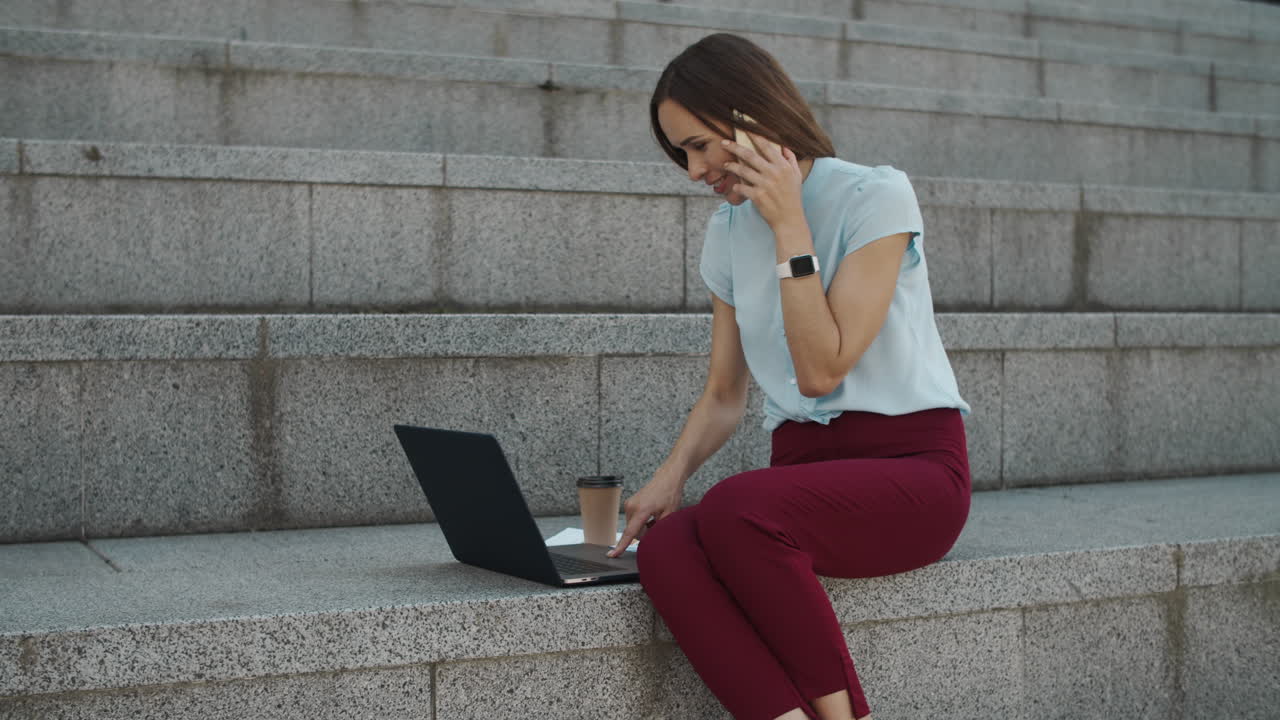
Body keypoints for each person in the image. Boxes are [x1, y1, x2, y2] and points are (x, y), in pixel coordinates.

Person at [602, 33, 973, 720]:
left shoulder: (875, 195)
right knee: (669, 547)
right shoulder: (725, 232)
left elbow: (821, 369)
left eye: (699, 146)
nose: (694, 171)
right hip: (803, 482)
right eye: (682, 154)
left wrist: (788, 225)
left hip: (913, 474)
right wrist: (669, 477)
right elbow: (724, 394)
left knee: (737, 507)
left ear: (749, 115)